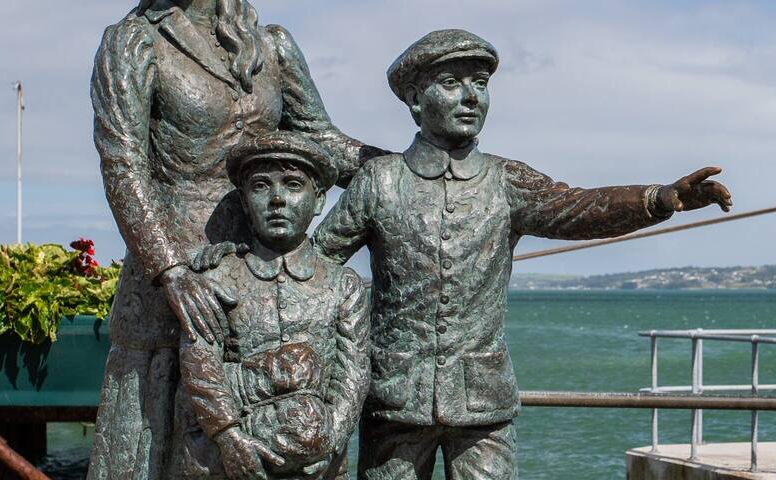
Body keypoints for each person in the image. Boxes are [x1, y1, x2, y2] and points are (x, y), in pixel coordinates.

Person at [312, 29, 732, 479]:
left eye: (480, 83)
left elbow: (577, 207)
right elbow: (317, 268)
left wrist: (659, 199)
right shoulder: (378, 180)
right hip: (395, 400)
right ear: (415, 98)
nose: (471, 97)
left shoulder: (505, 180)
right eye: (452, 83)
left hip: (483, 405)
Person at [89, 1, 388, 477]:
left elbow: (323, 141)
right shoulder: (135, 41)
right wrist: (171, 270)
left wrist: (405, 170)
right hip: (175, 281)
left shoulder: (272, 46)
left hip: (262, 279)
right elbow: (123, 166)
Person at [176, 133, 368, 478]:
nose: (277, 199)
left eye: (293, 185)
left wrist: (332, 439)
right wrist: (229, 436)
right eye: (261, 186)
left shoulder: (344, 285)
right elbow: (200, 365)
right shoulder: (216, 278)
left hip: (318, 466)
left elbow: (353, 373)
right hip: (230, 464)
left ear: (319, 200)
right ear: (244, 202)